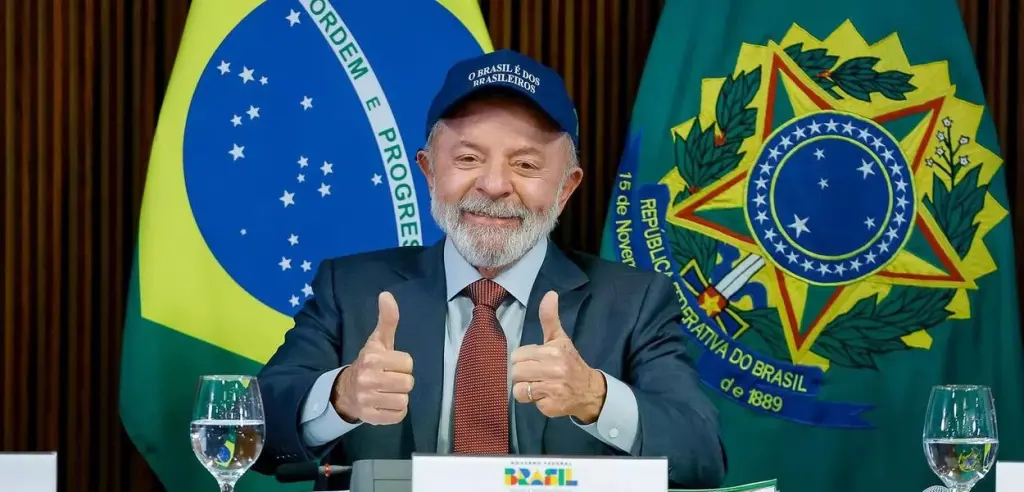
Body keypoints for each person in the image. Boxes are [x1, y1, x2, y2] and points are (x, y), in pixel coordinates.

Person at [252, 49, 727, 490]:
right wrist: (341, 396)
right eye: (468, 158)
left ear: (565, 188)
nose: (495, 184)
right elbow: (255, 433)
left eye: (526, 164)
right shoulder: (350, 288)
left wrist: (596, 397)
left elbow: (702, 456)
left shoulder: (635, 302)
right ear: (429, 172)